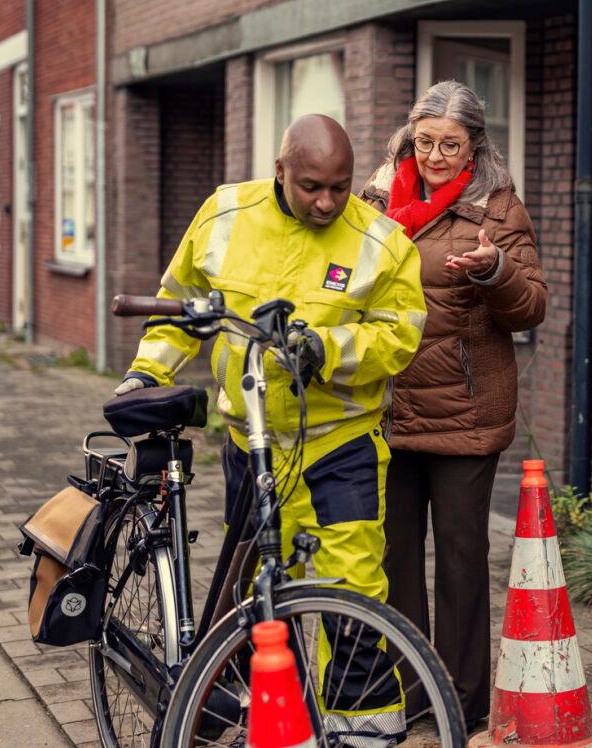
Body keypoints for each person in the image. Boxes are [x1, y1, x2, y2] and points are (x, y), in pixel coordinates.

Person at [114, 114, 426, 739]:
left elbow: (401, 334)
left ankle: (365, 730)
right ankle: (270, 719)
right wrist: (147, 373)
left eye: (339, 187)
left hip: (340, 446)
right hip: (249, 444)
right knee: (259, 591)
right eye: (311, 185)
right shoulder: (224, 216)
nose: (327, 202)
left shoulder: (383, 242)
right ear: (280, 169)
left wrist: (327, 349)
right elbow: (181, 300)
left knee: (354, 593)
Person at [360, 80, 548, 730]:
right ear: (410, 137)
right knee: (394, 561)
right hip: (387, 405)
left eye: (450, 144)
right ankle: (413, 696)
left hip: (466, 412)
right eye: (426, 141)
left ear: (474, 145)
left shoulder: (496, 207)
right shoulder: (377, 198)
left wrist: (496, 270)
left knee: (461, 564)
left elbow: (532, 305)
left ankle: (461, 709)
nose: (436, 155)